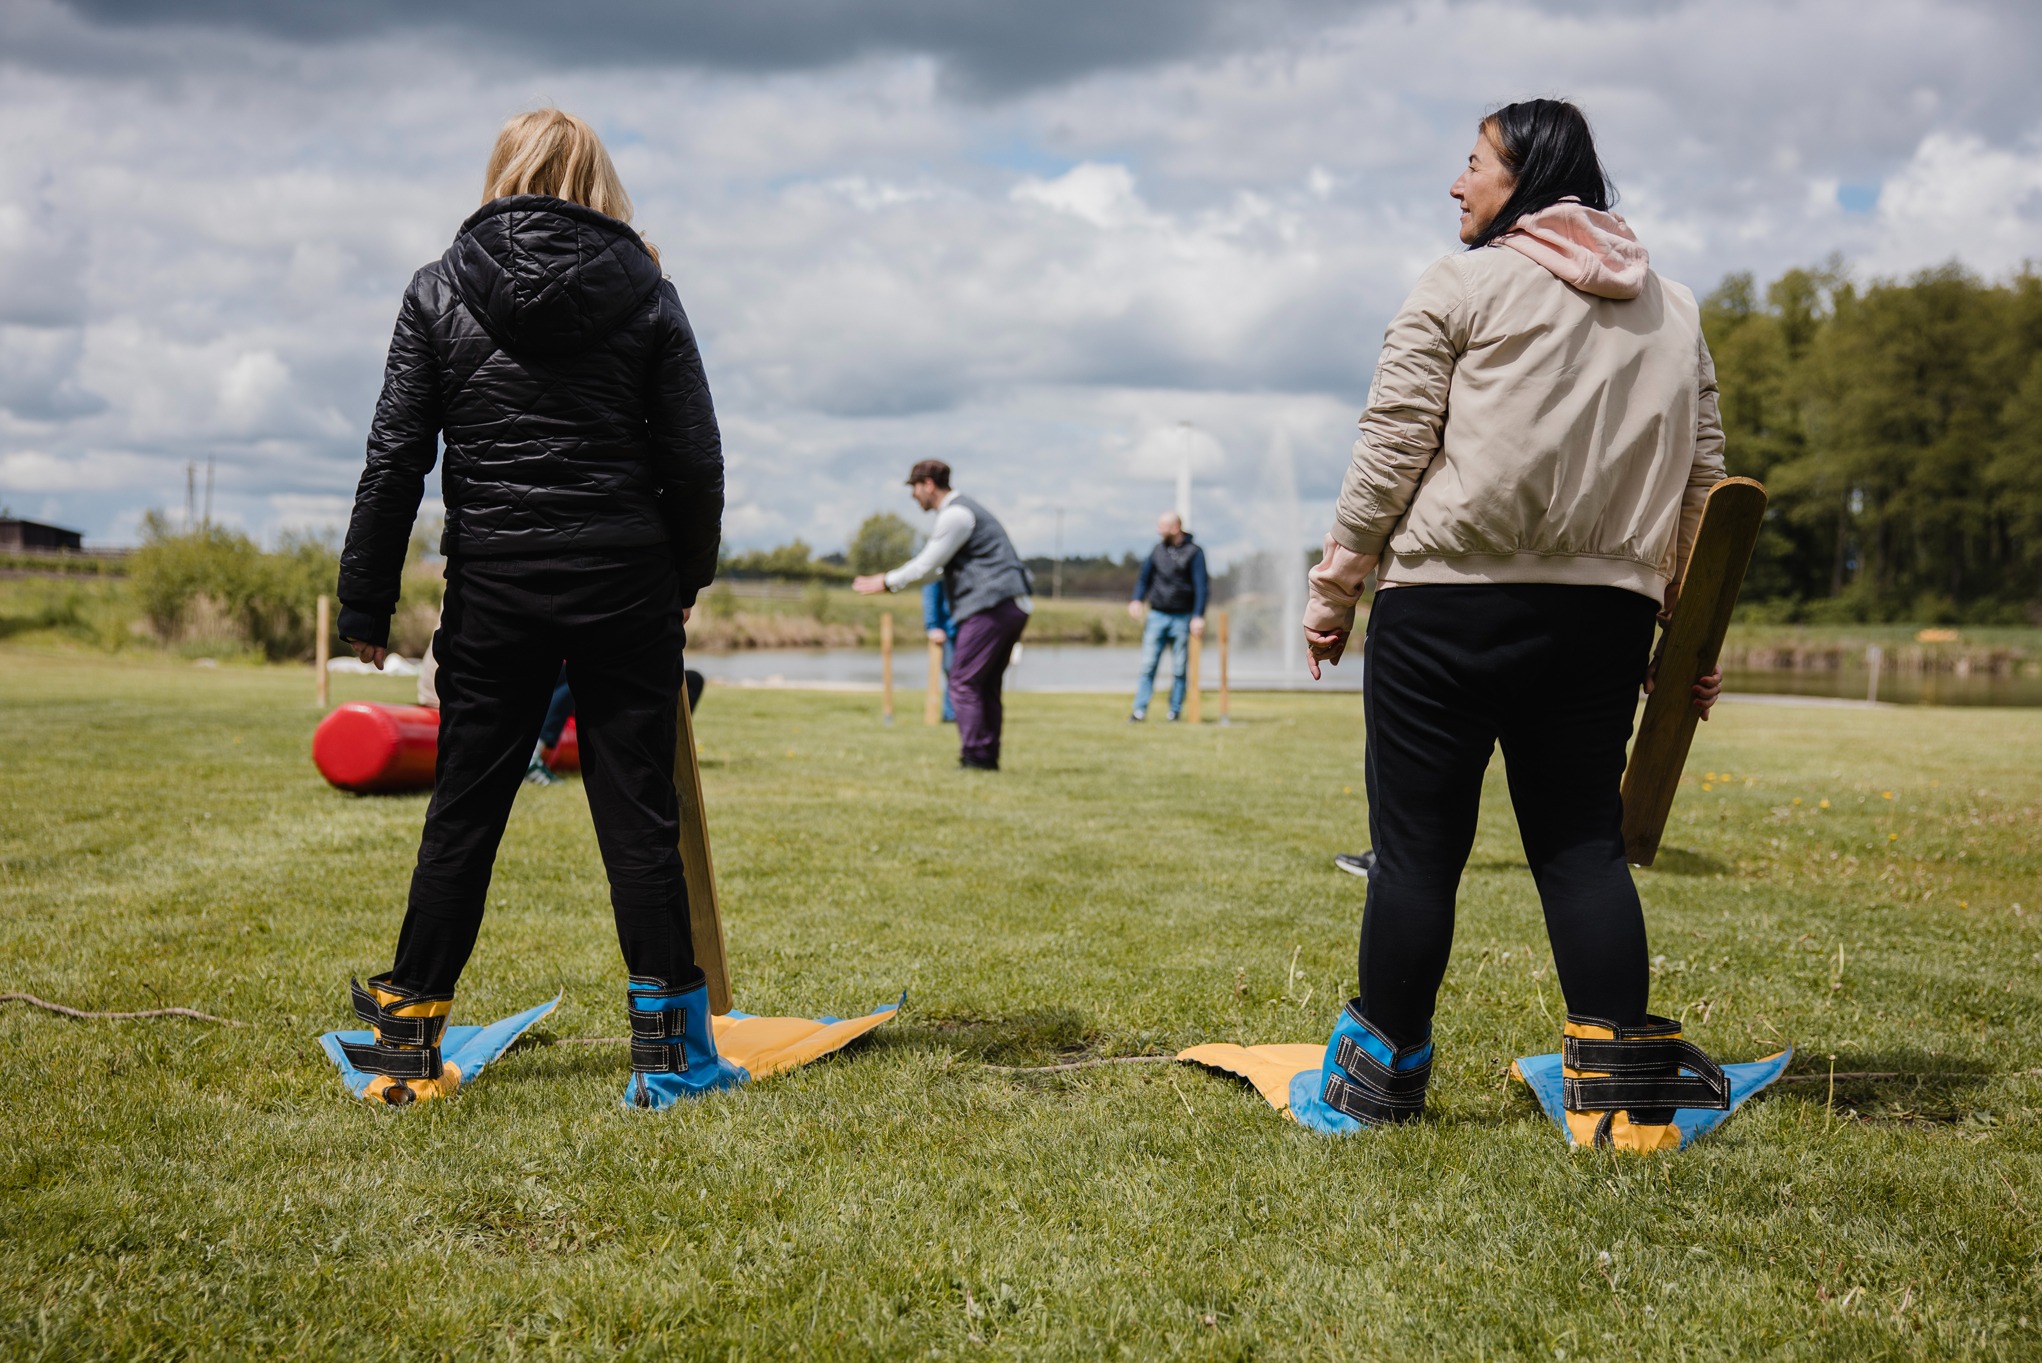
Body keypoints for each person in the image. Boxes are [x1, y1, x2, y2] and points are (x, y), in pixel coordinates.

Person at [1293, 99, 1728, 1152]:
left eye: (1473, 162)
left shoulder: (1460, 283)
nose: (1456, 182)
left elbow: (1393, 445)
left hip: (1445, 603)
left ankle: (1379, 1079)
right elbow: (1704, 481)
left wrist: (1333, 586)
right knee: (1582, 849)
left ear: (1524, 174)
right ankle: (1620, 1095)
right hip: (1603, 620)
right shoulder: (1670, 309)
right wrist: (1687, 630)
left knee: (1416, 853)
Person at [333, 108, 743, 1109]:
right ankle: (671, 1057)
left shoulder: (436, 288)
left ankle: (402, 1047)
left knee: (463, 811)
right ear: (598, 180)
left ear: (502, 172)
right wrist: (685, 579)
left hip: (498, 591)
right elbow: (693, 459)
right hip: (624, 586)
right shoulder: (648, 292)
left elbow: (395, 461)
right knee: (636, 817)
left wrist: (365, 603)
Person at [852, 461, 1032, 770]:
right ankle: (986, 757)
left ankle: (975, 758)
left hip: (991, 605)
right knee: (985, 685)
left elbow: (928, 565)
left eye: (914, 488)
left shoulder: (956, 514)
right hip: (1012, 604)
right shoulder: (966, 511)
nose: (913, 495)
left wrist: (886, 582)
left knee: (962, 681)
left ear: (929, 484)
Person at [1126, 512, 1209, 722]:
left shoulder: (1194, 553)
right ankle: (1139, 710)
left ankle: (1174, 710)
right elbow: (1144, 579)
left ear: (1175, 528)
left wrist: (1198, 616)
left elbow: (1201, 587)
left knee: (1180, 668)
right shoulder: (1157, 550)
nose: (1158, 530)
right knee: (1148, 665)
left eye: (1162, 526)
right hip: (1157, 616)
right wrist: (1137, 599)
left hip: (1182, 618)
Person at [922, 580, 957, 723]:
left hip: (971, 628)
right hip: (949, 629)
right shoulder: (939, 567)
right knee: (953, 672)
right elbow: (930, 594)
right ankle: (951, 714)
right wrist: (932, 626)